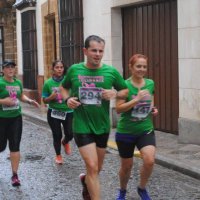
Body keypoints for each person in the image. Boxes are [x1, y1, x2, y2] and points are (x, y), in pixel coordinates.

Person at [60, 35, 128, 200]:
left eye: (100, 51)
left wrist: (115, 93)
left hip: (102, 126)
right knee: (91, 166)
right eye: (93, 50)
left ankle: (85, 182)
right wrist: (67, 99)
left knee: (97, 169)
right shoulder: (75, 70)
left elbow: (125, 91)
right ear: (85, 51)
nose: (97, 54)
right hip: (82, 125)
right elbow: (63, 87)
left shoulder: (110, 72)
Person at [115, 54, 158, 200]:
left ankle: (142, 188)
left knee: (149, 160)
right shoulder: (123, 86)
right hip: (126, 131)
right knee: (126, 167)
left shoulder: (150, 83)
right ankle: (122, 190)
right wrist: (136, 99)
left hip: (145, 129)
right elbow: (119, 109)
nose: (141, 69)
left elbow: (149, 102)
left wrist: (152, 109)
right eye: (138, 66)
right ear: (131, 67)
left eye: (144, 66)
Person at [0, 59, 40, 187]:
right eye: (8, 67)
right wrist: (3, 101)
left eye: (12, 67)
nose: (11, 69)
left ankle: (15, 175)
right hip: (1, 118)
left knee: (15, 145)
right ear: (3, 70)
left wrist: (29, 101)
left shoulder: (18, 83)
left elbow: (21, 95)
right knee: (1, 146)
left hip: (16, 118)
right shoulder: (0, 83)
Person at [42, 60, 73, 164]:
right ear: (53, 69)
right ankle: (58, 156)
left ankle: (65, 142)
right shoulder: (48, 83)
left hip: (68, 111)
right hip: (54, 112)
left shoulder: (68, 81)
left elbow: (74, 93)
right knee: (57, 134)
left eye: (61, 67)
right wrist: (51, 97)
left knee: (70, 133)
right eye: (57, 67)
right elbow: (44, 100)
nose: (59, 69)